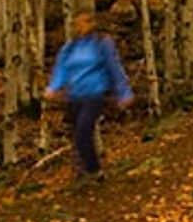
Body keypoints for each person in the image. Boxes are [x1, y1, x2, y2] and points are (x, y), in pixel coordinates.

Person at [45, 11, 133, 179]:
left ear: (92, 23)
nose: (80, 26)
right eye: (77, 23)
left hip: (94, 95)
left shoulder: (102, 44)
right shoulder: (70, 47)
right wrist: (53, 87)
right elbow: (62, 68)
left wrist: (123, 92)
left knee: (83, 131)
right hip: (74, 96)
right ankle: (82, 171)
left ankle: (95, 170)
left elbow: (114, 67)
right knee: (77, 136)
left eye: (84, 22)